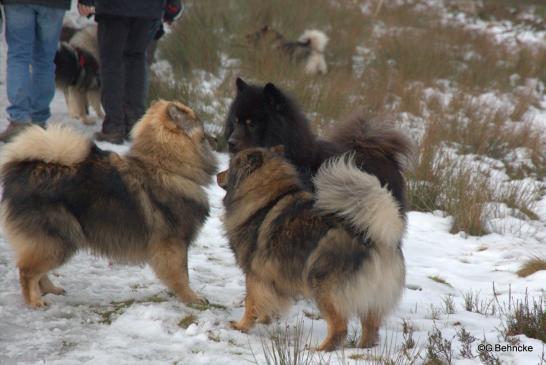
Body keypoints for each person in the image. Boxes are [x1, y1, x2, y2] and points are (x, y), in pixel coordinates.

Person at [78, 0, 181, 144]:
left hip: (114, 8)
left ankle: (114, 126)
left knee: (112, 62)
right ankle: (135, 124)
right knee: (136, 59)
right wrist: (172, 6)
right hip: (149, 9)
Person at [0, 0, 69, 142]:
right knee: (45, 61)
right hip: (55, 4)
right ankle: (39, 119)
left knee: (18, 57)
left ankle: (19, 119)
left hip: (18, 3)